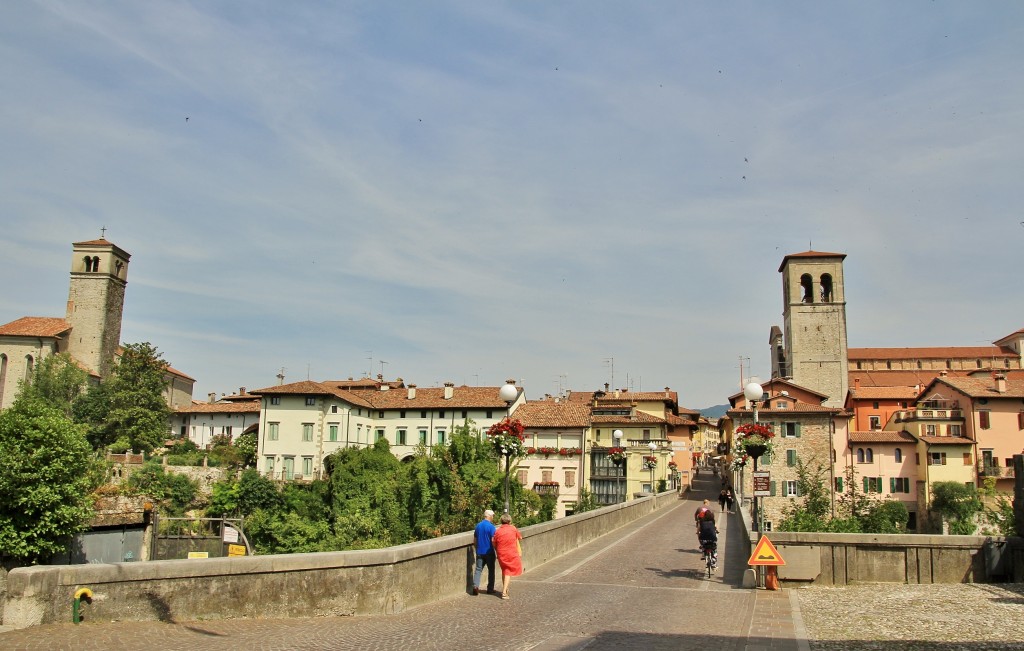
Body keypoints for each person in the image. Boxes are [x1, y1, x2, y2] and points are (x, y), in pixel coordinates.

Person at [491, 512, 523, 600]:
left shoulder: (498, 531)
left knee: (504, 570)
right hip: (511, 553)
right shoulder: (513, 529)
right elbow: (520, 537)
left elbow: (494, 542)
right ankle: (504, 592)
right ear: (509, 521)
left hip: (501, 554)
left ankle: (506, 588)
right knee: (508, 571)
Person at [472, 509, 496, 595]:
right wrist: (495, 549)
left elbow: (475, 540)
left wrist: (477, 548)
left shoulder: (478, 526)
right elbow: (493, 540)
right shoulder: (491, 527)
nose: (493, 517)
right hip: (489, 552)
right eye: (492, 516)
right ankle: (490, 589)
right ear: (489, 516)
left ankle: (475, 586)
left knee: (478, 570)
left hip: (480, 551)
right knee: (491, 570)